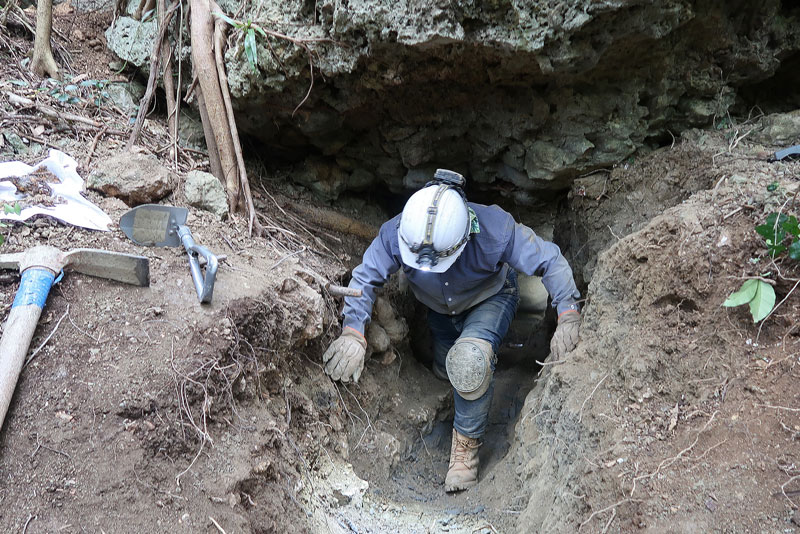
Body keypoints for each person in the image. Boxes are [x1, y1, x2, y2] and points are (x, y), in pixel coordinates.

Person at [322, 169, 581, 492]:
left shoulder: (494, 230)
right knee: (447, 367)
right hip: (437, 308)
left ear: (464, 238)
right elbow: (365, 278)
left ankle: (465, 454)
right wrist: (353, 331)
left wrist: (568, 314)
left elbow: (550, 261)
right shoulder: (400, 231)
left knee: (469, 363)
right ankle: (450, 386)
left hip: (490, 297)